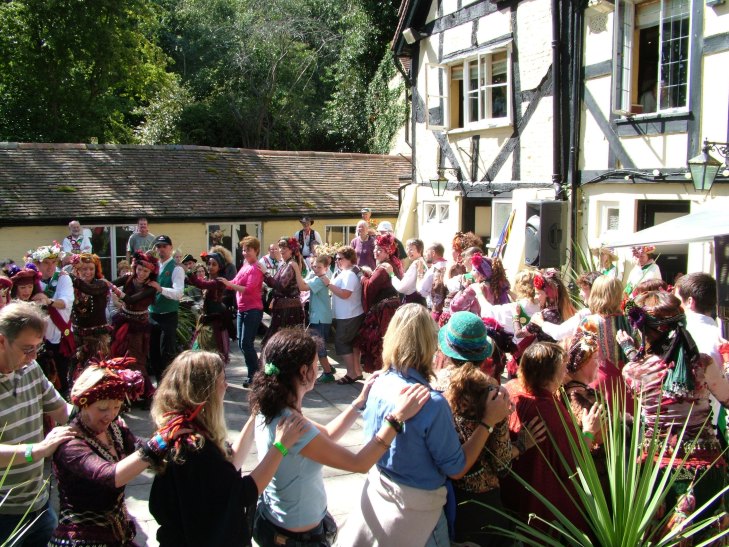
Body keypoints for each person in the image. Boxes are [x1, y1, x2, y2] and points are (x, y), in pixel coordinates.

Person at [338, 304, 511, 546]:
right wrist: (487, 424)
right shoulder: (432, 402)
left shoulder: (378, 383)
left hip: (380, 496)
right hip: (419, 514)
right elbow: (457, 467)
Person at [250, 328, 430, 547]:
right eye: (317, 364)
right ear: (304, 371)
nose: (318, 370)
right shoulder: (292, 425)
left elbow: (326, 435)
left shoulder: (271, 407)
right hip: (295, 539)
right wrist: (396, 418)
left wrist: (358, 403)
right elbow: (359, 463)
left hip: (274, 523)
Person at [149, 350, 310, 546]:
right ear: (204, 391)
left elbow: (230, 462)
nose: (226, 385)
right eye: (222, 380)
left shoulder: (182, 430)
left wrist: (253, 417)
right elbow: (244, 493)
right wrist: (280, 446)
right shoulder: (194, 448)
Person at [620, 291, 729, 542]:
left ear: (642, 330)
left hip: (657, 469)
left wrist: (632, 354)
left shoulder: (632, 370)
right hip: (703, 467)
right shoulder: (703, 364)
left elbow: (651, 377)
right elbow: (726, 398)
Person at [435, 312, 546, 545]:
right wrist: (522, 443)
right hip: (479, 501)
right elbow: (502, 463)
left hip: (443, 491)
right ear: (484, 355)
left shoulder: (435, 382)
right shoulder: (492, 393)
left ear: (447, 351)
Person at [50, 357, 158, 546]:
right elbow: (109, 476)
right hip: (82, 539)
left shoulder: (114, 429)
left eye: (117, 407)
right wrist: (159, 444)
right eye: (102, 409)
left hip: (117, 534)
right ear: (83, 403)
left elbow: (138, 449)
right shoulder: (69, 444)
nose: (110, 415)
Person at [502, 342, 601, 533]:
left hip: (516, 496)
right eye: (563, 366)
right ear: (551, 374)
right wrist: (589, 430)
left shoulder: (512, 389)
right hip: (545, 507)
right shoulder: (546, 409)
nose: (567, 370)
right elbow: (572, 464)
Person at [0, 302, 75, 546]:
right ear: (1, 341)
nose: (33, 357)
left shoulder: (30, 368)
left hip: (39, 504)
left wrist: (101, 416)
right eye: (26, 349)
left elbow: (62, 410)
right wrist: (38, 450)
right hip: (4, 514)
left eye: (37, 348)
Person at [581, 275, 638, 411]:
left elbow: (583, 356)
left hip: (601, 381)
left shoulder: (589, 322)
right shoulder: (631, 321)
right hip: (628, 382)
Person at [109, 251, 159, 402]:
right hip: (123, 321)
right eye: (139, 269)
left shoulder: (151, 287)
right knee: (118, 355)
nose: (141, 273)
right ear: (135, 267)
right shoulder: (129, 278)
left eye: (145, 271)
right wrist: (104, 283)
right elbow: (112, 282)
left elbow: (131, 300)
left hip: (138, 326)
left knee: (136, 359)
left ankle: (145, 392)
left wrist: (114, 289)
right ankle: (123, 391)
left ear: (151, 272)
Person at [29, 244, 75, 396]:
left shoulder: (63, 278)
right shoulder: (33, 281)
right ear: (38, 264)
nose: (51, 267)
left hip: (59, 336)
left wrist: (47, 301)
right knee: (41, 380)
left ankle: (62, 413)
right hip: (39, 338)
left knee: (62, 377)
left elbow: (65, 302)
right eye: (46, 263)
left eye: (54, 262)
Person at [220, 236, 264, 385]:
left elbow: (249, 289)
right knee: (241, 343)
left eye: (248, 250)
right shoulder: (245, 265)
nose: (245, 253)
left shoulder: (256, 268)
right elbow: (235, 282)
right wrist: (221, 283)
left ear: (256, 251)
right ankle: (255, 371)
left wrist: (229, 285)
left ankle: (255, 375)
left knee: (247, 343)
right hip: (242, 309)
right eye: (243, 250)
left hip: (253, 309)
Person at [357, 234, 403, 374]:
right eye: (376, 249)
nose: (376, 252)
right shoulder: (392, 263)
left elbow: (370, 287)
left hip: (384, 310)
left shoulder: (384, 267)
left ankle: (383, 370)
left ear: (388, 252)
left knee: (380, 340)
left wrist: (362, 276)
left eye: (380, 250)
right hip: (390, 307)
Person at [322, 246, 364, 384]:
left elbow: (345, 294)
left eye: (341, 258)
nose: (337, 261)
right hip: (346, 314)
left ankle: (351, 373)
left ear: (350, 259)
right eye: (336, 258)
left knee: (342, 343)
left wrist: (328, 284)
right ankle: (356, 372)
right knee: (351, 344)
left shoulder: (350, 275)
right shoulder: (344, 272)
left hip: (349, 315)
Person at [294, 255, 336, 383]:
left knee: (319, 346)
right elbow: (305, 280)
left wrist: (296, 269)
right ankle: (329, 368)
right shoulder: (316, 277)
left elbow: (302, 287)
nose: (316, 269)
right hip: (318, 317)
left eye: (319, 267)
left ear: (326, 268)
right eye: (314, 266)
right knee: (317, 344)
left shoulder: (320, 280)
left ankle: (328, 373)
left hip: (320, 318)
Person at [148, 235, 184, 382]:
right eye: (158, 246)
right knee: (153, 353)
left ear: (170, 248)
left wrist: (161, 289)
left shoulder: (176, 269)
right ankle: (159, 384)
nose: (161, 249)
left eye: (164, 246)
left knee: (166, 353)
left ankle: (169, 385)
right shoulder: (154, 267)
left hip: (168, 315)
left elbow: (179, 294)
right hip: (153, 315)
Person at [185, 252, 231, 363]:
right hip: (206, 322)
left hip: (215, 325)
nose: (210, 267)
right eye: (209, 264)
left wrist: (188, 271)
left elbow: (200, 284)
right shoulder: (209, 280)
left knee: (213, 356)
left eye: (214, 264)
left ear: (220, 267)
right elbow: (195, 282)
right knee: (199, 354)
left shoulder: (219, 281)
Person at [70, 253, 112, 371]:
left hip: (97, 337)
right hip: (78, 336)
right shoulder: (72, 286)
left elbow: (88, 289)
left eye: (91, 269)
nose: (88, 272)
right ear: (77, 270)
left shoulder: (101, 284)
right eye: (84, 269)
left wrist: (71, 277)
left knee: (96, 370)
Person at [391, 238, 428, 305]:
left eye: (411, 249)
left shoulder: (415, 264)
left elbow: (401, 287)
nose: (408, 252)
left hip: (413, 302)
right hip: (420, 301)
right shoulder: (422, 262)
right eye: (407, 249)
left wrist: (391, 275)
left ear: (419, 250)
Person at [418, 243, 448, 321]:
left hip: (436, 310)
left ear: (433, 253)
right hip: (448, 309)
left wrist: (420, 274)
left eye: (427, 252)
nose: (425, 255)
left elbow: (422, 291)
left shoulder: (434, 269)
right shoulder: (449, 265)